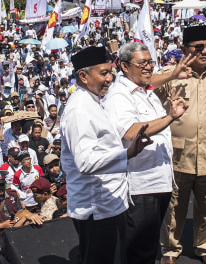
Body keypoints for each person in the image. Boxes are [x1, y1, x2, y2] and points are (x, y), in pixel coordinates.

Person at [60, 46, 153, 264]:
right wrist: (126, 154)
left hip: (107, 205)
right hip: (95, 208)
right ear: (83, 76)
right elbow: (85, 162)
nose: (110, 79)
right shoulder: (79, 110)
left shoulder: (93, 100)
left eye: (110, 72)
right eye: (103, 73)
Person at [103, 42, 188, 264]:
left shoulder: (144, 90)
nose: (149, 67)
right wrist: (170, 117)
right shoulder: (118, 96)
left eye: (150, 62)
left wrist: (172, 75)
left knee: (149, 247)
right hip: (140, 188)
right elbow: (131, 131)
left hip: (159, 183)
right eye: (142, 63)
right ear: (123, 66)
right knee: (138, 251)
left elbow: (150, 81)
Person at [155, 26, 206, 264]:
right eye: (199, 47)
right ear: (185, 49)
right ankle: (170, 250)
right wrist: (171, 75)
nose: (205, 51)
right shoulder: (170, 74)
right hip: (178, 155)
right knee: (174, 207)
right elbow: (143, 86)